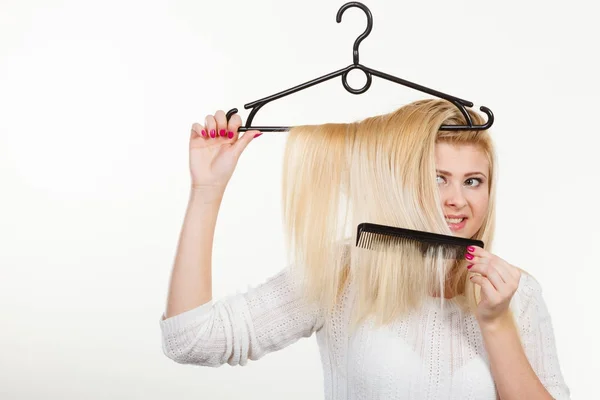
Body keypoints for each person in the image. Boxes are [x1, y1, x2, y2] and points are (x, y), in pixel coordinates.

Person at [159, 100, 570, 399]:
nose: (456, 200)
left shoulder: (517, 295)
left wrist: (496, 322)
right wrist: (206, 191)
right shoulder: (343, 271)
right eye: (438, 177)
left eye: (472, 181)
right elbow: (192, 340)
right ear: (403, 182)